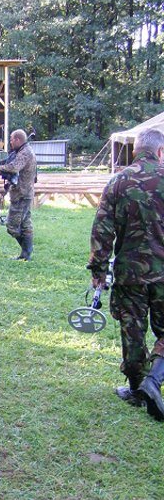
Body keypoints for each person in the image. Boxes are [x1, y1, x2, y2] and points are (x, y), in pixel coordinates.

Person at [88, 127, 164, 420]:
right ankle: (154, 380)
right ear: (159, 152)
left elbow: (103, 229)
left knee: (132, 333)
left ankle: (138, 387)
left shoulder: (118, 181)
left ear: (135, 151)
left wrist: (98, 268)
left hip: (129, 273)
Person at [0, 129, 36, 261]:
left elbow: (14, 167)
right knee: (25, 224)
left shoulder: (25, 152)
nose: (10, 142)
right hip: (22, 192)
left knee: (12, 226)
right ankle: (26, 255)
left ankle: (27, 252)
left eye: (11, 139)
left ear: (17, 139)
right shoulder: (23, 151)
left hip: (21, 194)